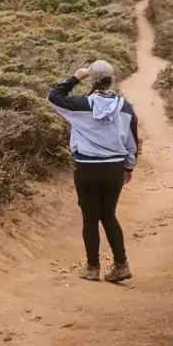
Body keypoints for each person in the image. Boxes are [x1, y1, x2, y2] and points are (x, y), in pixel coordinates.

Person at [47, 60, 138, 283]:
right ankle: (121, 264)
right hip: (114, 168)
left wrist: (76, 78)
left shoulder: (81, 105)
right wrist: (128, 167)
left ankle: (92, 268)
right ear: (112, 79)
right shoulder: (125, 107)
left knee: (90, 218)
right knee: (108, 215)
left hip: (86, 167)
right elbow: (133, 143)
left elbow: (53, 97)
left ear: (93, 79)